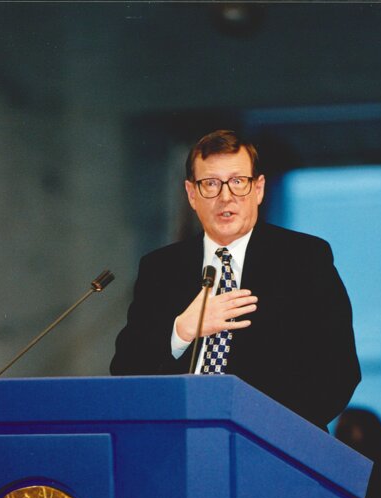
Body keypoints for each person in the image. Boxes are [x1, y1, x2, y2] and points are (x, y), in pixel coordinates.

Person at [110, 129, 360, 429]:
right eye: (211, 184)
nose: (225, 196)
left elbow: (339, 370)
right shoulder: (161, 267)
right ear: (192, 194)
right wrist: (181, 331)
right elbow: (125, 369)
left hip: (274, 447)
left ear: (259, 189)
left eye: (238, 182)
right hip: (177, 444)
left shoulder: (303, 258)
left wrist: (272, 432)